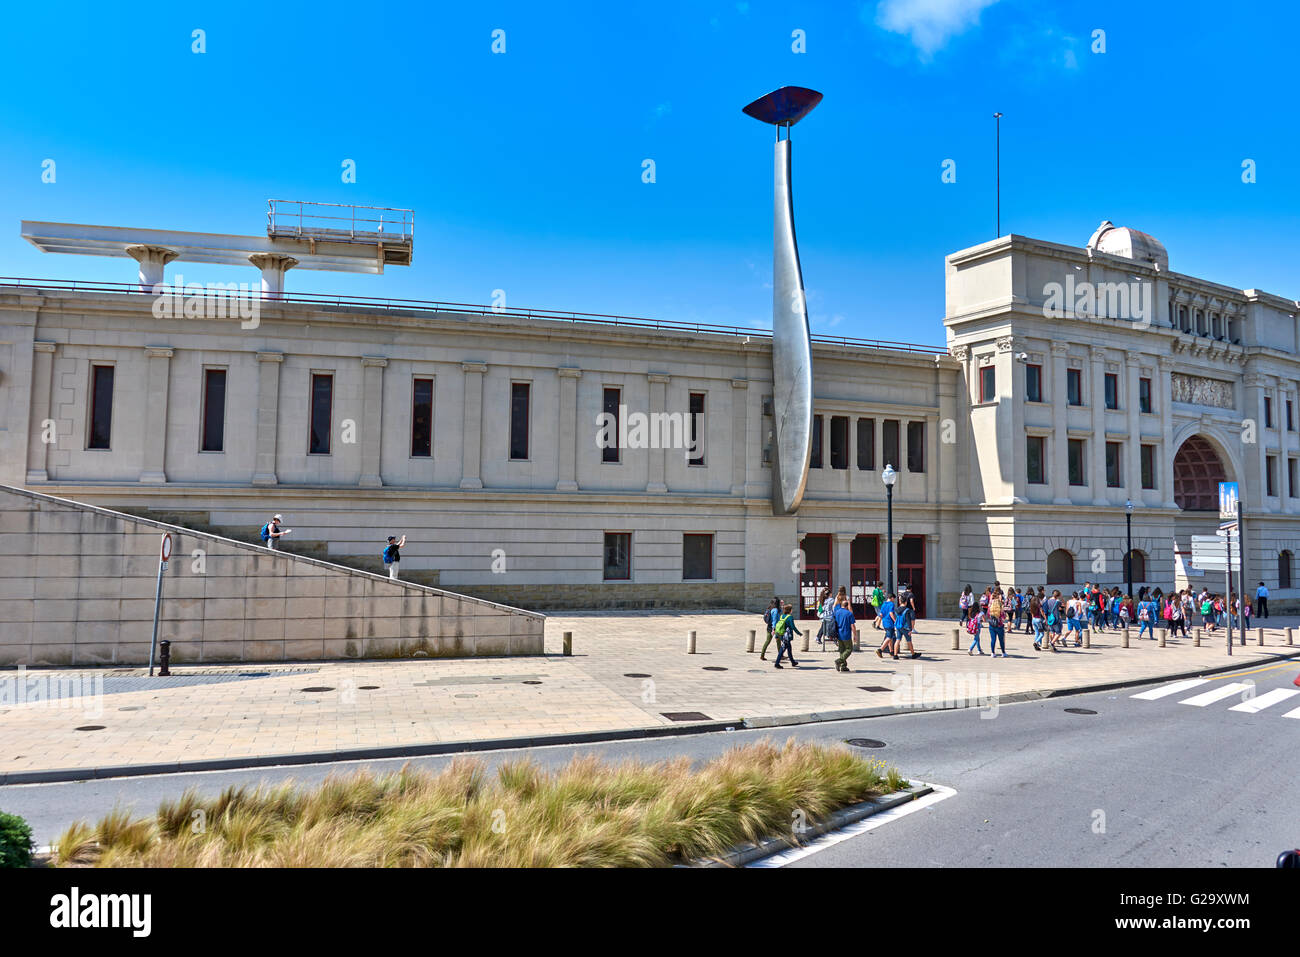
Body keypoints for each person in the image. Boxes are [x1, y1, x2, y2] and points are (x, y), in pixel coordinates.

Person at [831, 596, 858, 672]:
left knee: (842, 650)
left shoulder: (837, 612)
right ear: (847, 606)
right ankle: (839, 661)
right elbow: (852, 625)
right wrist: (855, 635)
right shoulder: (849, 614)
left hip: (838, 633)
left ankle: (843, 666)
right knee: (849, 649)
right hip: (846, 634)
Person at [773, 603, 801, 669]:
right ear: (790, 610)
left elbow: (779, 625)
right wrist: (799, 633)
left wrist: (777, 635)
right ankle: (777, 663)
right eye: (791, 609)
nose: (792, 610)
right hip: (787, 636)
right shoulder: (790, 617)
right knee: (783, 649)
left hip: (782, 635)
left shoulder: (781, 616)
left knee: (789, 648)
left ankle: (793, 662)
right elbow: (793, 627)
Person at [876, 592, 899, 659]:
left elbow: (881, 614)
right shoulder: (891, 604)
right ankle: (880, 650)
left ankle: (891, 651)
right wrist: (895, 621)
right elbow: (891, 613)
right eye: (893, 599)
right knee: (889, 637)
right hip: (889, 623)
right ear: (891, 598)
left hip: (884, 622)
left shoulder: (883, 604)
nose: (894, 600)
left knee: (890, 637)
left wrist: (878, 623)